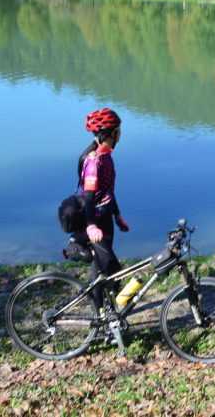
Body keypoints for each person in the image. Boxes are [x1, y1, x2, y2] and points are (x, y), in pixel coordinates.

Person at [76, 107, 131, 307]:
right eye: (119, 130)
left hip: (105, 218)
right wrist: (91, 226)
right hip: (95, 221)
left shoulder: (106, 156)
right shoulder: (94, 162)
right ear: (112, 133)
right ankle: (102, 316)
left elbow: (107, 191)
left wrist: (118, 215)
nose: (121, 133)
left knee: (100, 269)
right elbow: (89, 197)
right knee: (112, 268)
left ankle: (105, 312)